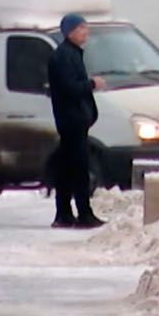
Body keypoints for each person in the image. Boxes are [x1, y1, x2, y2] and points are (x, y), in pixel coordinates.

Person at [48, 13, 106, 229]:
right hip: (71, 121)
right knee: (78, 169)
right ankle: (83, 214)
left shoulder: (72, 54)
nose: (86, 32)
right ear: (70, 31)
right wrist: (92, 84)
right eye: (82, 28)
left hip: (74, 121)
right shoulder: (63, 57)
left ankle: (64, 213)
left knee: (68, 168)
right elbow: (70, 87)